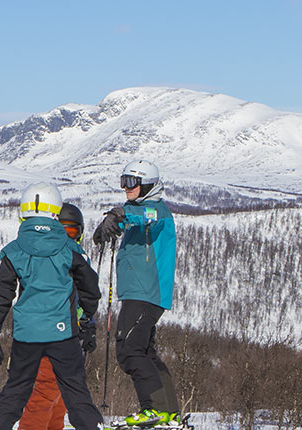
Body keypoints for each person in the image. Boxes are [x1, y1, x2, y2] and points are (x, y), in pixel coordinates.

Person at [0, 184, 104, 430]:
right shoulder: (72, 250)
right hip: (63, 335)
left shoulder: (12, 252)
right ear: (56, 213)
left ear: (23, 213)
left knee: (16, 390)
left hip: (27, 334)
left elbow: (1, 297)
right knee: (75, 392)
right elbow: (91, 291)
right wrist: (86, 321)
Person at [91, 160, 183, 428]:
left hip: (146, 292)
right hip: (137, 292)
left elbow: (146, 217)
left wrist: (120, 215)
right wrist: (109, 226)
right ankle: (168, 413)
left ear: (148, 185)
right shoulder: (136, 209)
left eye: (132, 182)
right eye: (123, 181)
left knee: (129, 350)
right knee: (145, 351)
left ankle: (152, 410)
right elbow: (130, 215)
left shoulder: (158, 211)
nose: (125, 187)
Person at [17, 202, 87, 430]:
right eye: (62, 231)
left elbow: (81, 299)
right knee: (43, 393)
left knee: (59, 399)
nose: (67, 238)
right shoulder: (47, 259)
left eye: (72, 232)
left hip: (70, 340)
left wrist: (88, 325)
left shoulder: (76, 258)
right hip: (47, 338)